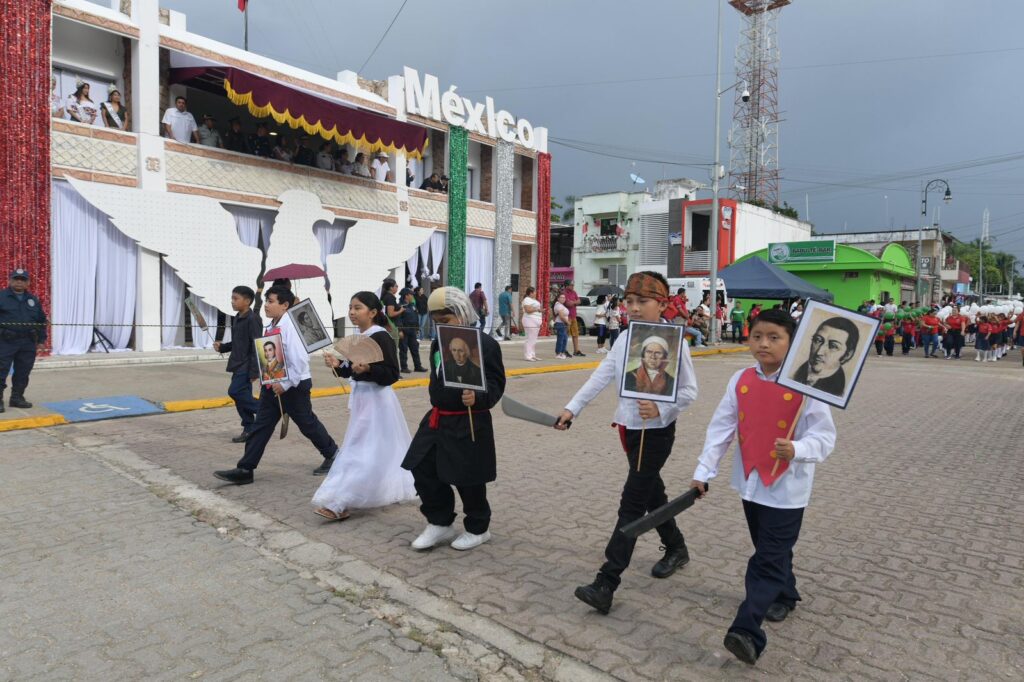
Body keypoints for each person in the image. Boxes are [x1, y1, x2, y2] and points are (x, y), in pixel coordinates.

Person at [689, 308, 836, 666]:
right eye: (757, 336)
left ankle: (747, 629)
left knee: (766, 558)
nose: (764, 343)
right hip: (751, 482)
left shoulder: (807, 384)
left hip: (787, 488)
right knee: (768, 548)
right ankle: (786, 594)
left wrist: (799, 449)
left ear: (792, 343)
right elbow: (721, 428)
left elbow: (825, 437)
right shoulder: (740, 379)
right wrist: (704, 470)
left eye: (774, 337)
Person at [555, 271, 698, 615]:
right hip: (630, 430)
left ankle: (607, 581)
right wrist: (572, 408)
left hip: (658, 433)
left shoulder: (674, 340)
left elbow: (690, 392)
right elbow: (600, 376)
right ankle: (676, 547)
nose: (632, 307)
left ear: (662, 304)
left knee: (631, 504)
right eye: (629, 301)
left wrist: (662, 404)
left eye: (642, 301)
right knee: (652, 493)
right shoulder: (623, 339)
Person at [402, 287, 506, 551]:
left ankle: (478, 528)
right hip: (438, 419)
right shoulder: (439, 342)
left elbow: (496, 383)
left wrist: (479, 398)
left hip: (469, 420)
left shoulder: (486, 345)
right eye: (436, 321)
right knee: (421, 465)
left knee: (467, 476)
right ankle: (439, 521)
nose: (439, 326)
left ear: (461, 313)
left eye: (445, 321)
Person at [213, 286, 340, 485]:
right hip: (273, 384)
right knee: (260, 426)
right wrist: (269, 379)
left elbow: (299, 360)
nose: (266, 305)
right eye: (265, 301)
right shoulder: (271, 325)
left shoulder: (292, 326)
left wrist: (287, 383)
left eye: (271, 301)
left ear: (285, 305)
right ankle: (245, 468)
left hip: (294, 386)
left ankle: (332, 454)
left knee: (307, 423)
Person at [313, 292, 417, 521]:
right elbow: (353, 371)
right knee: (373, 450)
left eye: (357, 308)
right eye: (350, 307)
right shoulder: (360, 337)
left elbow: (391, 375)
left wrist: (369, 370)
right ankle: (354, 494)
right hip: (362, 402)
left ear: (372, 312)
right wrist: (338, 365)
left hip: (377, 402)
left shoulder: (381, 337)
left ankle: (340, 501)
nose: (352, 312)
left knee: (360, 450)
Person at [213, 286, 262, 443]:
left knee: (235, 392)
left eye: (236, 298)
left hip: (247, 365)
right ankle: (249, 428)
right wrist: (223, 347)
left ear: (247, 301)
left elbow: (257, 345)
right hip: (237, 363)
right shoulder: (238, 317)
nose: (232, 301)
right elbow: (238, 341)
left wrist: (255, 371)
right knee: (242, 397)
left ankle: (267, 409)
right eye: (232, 298)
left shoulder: (253, 319)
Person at [0, 269, 48, 412]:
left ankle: (17, 398)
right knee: (1, 371)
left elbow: (41, 321)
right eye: (16, 279)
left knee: (23, 372)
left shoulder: (32, 300)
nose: (19, 282)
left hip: (27, 342)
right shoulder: (2, 297)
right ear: (10, 280)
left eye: (23, 279)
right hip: (5, 341)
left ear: (27, 283)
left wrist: (41, 340)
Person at [791, 316, 860, 397]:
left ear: (847, 355)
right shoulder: (793, 374)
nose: (819, 352)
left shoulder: (838, 390)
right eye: (818, 340)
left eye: (833, 346)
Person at [398, 288, 427, 373]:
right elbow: (398, 319)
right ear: (406, 296)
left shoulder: (412, 305)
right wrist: (400, 330)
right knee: (403, 350)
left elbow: (415, 317)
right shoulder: (400, 306)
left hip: (412, 330)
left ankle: (418, 366)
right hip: (404, 330)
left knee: (415, 349)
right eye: (411, 295)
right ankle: (404, 367)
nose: (412, 296)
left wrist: (417, 328)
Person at [520, 286, 543, 361]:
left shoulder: (534, 300)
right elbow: (528, 310)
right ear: (530, 293)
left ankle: (532, 354)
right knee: (529, 338)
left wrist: (540, 311)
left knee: (534, 339)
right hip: (529, 320)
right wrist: (537, 309)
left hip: (536, 321)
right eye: (534, 292)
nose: (536, 293)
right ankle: (528, 355)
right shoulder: (527, 299)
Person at [563, 281, 585, 357]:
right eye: (571, 285)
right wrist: (575, 302)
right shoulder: (564, 293)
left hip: (573, 316)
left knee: (575, 334)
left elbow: (579, 301)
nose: (573, 286)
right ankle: (564, 350)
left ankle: (576, 350)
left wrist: (573, 302)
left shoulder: (574, 292)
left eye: (573, 285)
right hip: (567, 317)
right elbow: (567, 303)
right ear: (566, 286)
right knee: (565, 334)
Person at [552, 293, 570, 359]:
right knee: (561, 339)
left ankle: (562, 352)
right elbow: (561, 316)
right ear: (558, 298)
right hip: (560, 323)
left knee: (564, 339)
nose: (563, 299)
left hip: (563, 324)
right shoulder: (558, 305)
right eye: (561, 297)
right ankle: (558, 353)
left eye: (564, 298)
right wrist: (568, 322)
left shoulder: (561, 305)